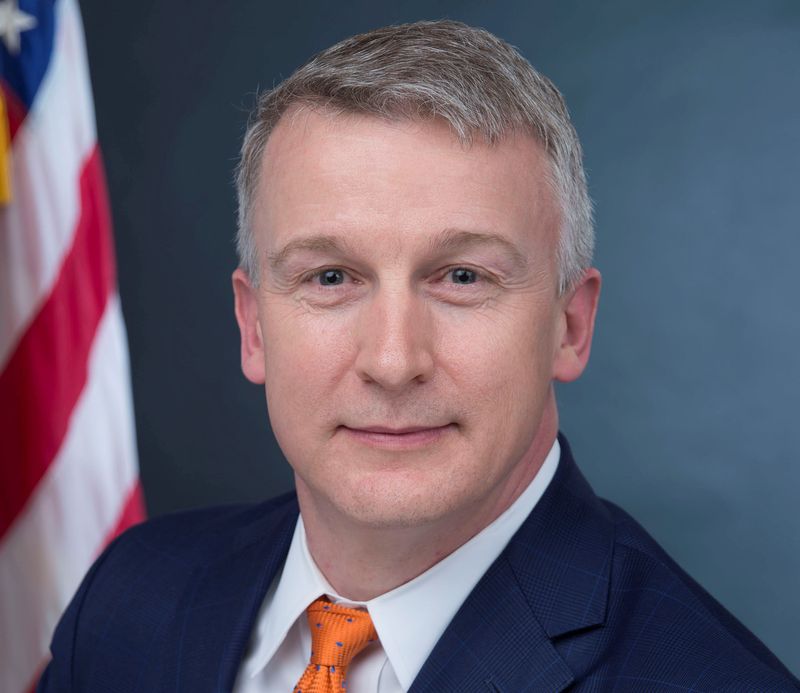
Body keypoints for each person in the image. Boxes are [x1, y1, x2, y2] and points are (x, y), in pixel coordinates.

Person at [39, 20, 798, 693]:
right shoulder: (127, 601)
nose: (394, 360)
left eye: (462, 277)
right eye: (330, 277)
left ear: (570, 325)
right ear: (255, 327)